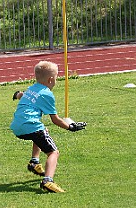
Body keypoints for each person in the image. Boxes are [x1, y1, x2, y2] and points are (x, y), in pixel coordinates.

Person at [10, 61, 86, 193]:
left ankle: (34, 162)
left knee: (42, 131)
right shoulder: (47, 94)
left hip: (16, 127)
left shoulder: (32, 88)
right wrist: (71, 127)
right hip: (30, 125)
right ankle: (48, 181)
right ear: (51, 79)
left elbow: (22, 95)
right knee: (53, 152)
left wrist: (17, 95)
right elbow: (55, 120)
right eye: (56, 78)